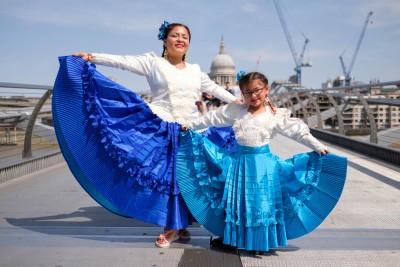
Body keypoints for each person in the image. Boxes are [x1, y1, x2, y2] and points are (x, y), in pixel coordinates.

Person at [53, 21, 240, 248]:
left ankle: (180, 224)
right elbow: (123, 62)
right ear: (165, 39)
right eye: (175, 35)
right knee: (168, 176)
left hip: (190, 129)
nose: (180, 40)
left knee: (186, 176)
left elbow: (215, 89)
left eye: (185, 37)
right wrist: (92, 57)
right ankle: (171, 226)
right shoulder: (153, 62)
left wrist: (242, 102)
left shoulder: (195, 71)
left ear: (189, 43)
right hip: (160, 125)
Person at [177, 71, 347, 252]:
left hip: (265, 167)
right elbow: (212, 119)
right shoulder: (235, 111)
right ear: (242, 94)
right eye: (248, 92)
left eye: (257, 90)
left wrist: (318, 146)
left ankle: (259, 240)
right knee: (238, 201)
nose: (253, 96)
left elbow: (297, 131)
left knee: (262, 203)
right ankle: (236, 237)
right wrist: (190, 125)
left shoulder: (275, 114)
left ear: (266, 90)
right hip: (239, 164)